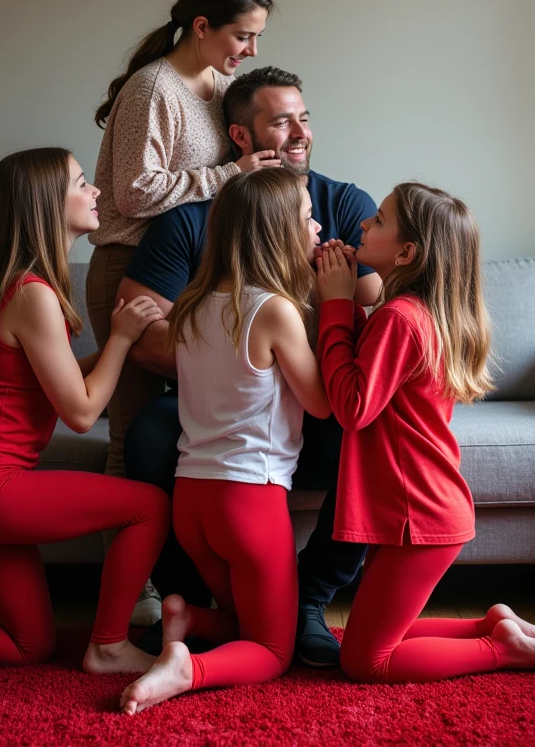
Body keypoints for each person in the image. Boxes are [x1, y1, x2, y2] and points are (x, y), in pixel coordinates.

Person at [118, 66, 382, 666]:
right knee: (152, 430)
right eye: (281, 120)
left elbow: (376, 315)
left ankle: (307, 595)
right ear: (241, 135)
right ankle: (197, 600)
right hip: (236, 417)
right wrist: (248, 359)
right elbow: (139, 330)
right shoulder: (192, 218)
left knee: (359, 419)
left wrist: (262, 348)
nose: (299, 132)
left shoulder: (344, 202)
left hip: (288, 403)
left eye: (304, 117)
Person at [0, 148, 170, 673]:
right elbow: (81, 413)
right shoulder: (32, 294)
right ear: (45, 203)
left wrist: (117, 348)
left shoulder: (17, 284)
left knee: (29, 647)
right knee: (149, 505)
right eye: (83, 183)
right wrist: (123, 339)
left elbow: (49, 378)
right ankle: (108, 645)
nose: (97, 192)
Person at [314, 182, 535, 682]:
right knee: (376, 633)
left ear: (407, 252)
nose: (365, 223)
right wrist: (346, 306)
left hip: (419, 514)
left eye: (380, 220)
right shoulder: (416, 313)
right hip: (421, 506)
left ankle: (504, 652)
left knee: (366, 661)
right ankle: (491, 625)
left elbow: (352, 407)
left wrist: (333, 307)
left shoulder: (399, 317)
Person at [87, 0, 276, 623]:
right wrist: (230, 173)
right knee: (128, 435)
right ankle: (127, 595)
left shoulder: (219, 87)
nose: (250, 51)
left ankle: (178, 579)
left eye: (255, 38)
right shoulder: (153, 88)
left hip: (189, 274)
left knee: (180, 434)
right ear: (201, 25)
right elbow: (135, 193)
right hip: (130, 267)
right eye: (242, 36)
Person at [120, 169, 332, 715]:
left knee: (246, 621)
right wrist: (334, 309)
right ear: (279, 231)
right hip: (250, 498)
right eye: (307, 217)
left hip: (192, 497)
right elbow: (322, 404)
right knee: (273, 649)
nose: (318, 226)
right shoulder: (274, 310)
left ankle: (184, 617)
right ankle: (190, 667)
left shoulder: (190, 307)